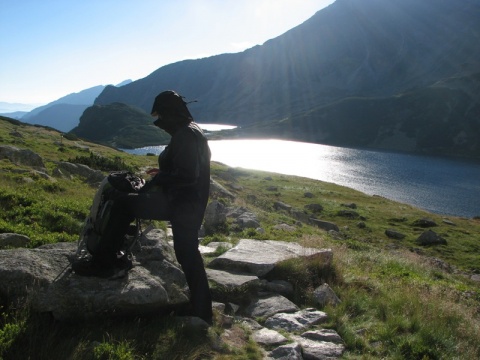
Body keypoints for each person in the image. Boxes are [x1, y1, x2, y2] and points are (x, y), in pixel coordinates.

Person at [74, 90, 213, 325]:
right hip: (188, 203)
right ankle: (202, 310)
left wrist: (158, 181)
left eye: (161, 114)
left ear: (170, 112)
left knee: (123, 204)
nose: (159, 121)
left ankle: (103, 263)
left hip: (181, 204)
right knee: (188, 254)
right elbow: (187, 170)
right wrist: (164, 173)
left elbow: (188, 175)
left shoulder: (185, 135)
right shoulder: (190, 130)